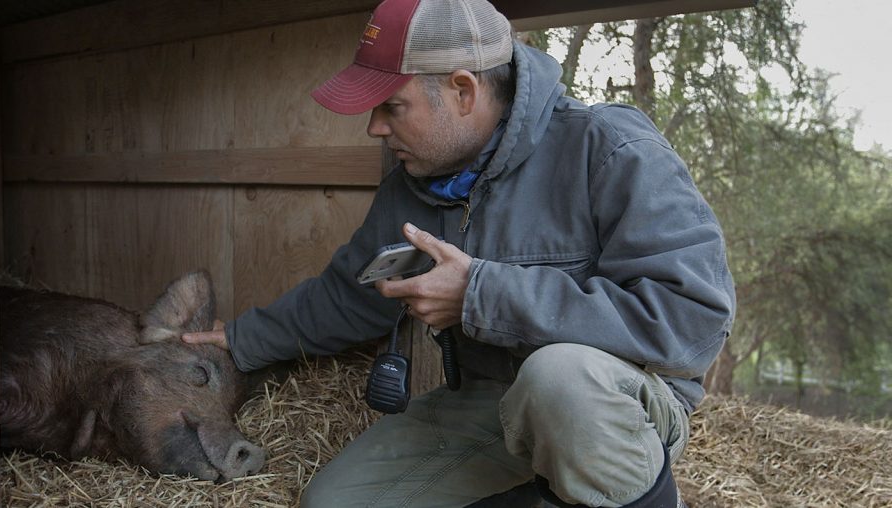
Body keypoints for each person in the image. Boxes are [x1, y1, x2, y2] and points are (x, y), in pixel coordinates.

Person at [184, 0, 736, 506]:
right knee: (330, 504)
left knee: (559, 378)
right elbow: (352, 296)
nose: (375, 128)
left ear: (463, 91)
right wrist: (241, 340)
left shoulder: (610, 148)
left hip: (615, 408)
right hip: (487, 403)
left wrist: (481, 292)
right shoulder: (413, 180)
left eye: (391, 107)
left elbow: (691, 323)